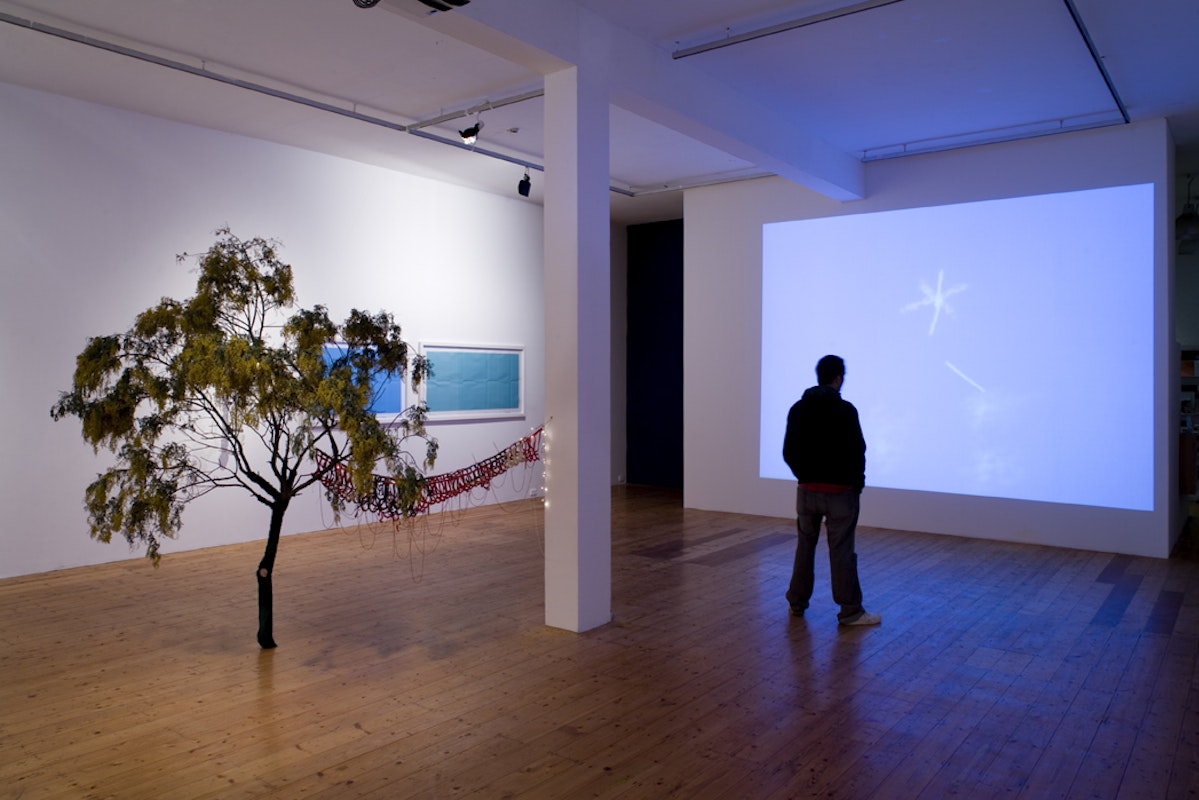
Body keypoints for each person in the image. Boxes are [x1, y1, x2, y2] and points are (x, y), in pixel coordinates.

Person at [782, 355, 881, 626]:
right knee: (842, 552)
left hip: (806, 492)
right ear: (838, 378)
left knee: (805, 547)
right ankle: (850, 611)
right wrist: (855, 484)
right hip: (841, 493)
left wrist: (804, 475)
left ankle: (796, 603)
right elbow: (858, 451)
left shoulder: (798, 409)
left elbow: (788, 452)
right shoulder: (845, 410)